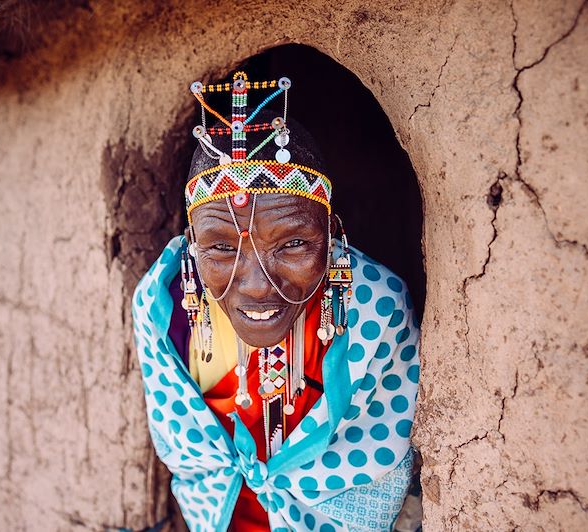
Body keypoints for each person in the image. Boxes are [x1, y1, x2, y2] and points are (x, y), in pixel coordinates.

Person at [132, 72, 420, 531]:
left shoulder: (373, 309)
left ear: (330, 237)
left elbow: (376, 474)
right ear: (191, 245)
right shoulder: (163, 310)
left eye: (291, 245)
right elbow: (192, 464)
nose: (257, 285)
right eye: (222, 248)